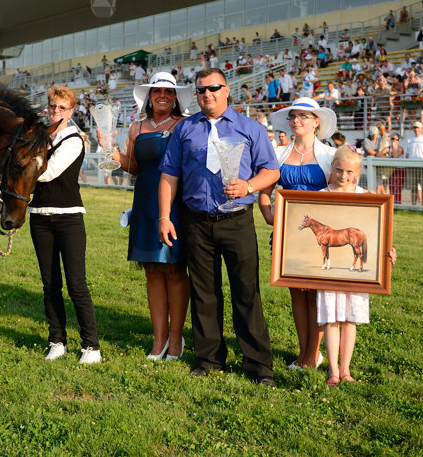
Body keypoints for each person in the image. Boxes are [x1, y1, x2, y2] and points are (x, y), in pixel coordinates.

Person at [158, 68, 280, 387]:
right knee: (204, 294)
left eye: (213, 88)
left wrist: (250, 185)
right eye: (201, 90)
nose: (207, 94)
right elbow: (169, 175)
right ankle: (210, 359)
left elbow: (272, 170)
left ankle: (258, 365)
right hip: (195, 221)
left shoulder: (250, 129)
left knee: (246, 293)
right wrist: (164, 216)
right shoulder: (184, 130)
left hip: (237, 221)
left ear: (227, 91)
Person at [111, 72, 191, 360]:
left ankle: (177, 337)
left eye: (168, 92)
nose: (162, 96)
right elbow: (132, 166)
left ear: (176, 98)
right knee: (152, 270)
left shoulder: (185, 125)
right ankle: (159, 340)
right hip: (144, 203)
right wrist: (112, 150)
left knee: (174, 270)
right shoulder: (136, 127)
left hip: (175, 204)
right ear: (149, 96)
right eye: (157, 91)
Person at [260, 98, 337, 369]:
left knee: (315, 293)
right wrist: (267, 214)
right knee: (295, 292)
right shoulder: (279, 153)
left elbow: (343, 194)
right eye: (293, 116)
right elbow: (265, 188)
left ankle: (312, 354)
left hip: (318, 236)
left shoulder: (330, 155)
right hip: (288, 233)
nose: (297, 121)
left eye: (304, 116)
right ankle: (304, 351)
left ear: (316, 122)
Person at [28, 85, 101, 364]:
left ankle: (91, 347)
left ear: (71, 111)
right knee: (50, 285)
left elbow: (47, 172)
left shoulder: (73, 139)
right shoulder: (40, 137)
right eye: (52, 106)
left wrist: (23, 163)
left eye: (62, 107)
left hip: (69, 218)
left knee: (76, 284)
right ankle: (57, 341)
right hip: (39, 217)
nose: (55, 111)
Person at [318, 146, 397, 386]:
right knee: (331, 319)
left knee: (350, 320)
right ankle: (332, 370)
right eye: (339, 170)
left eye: (349, 172)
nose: (343, 176)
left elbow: (377, 230)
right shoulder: (320, 195)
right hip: (329, 278)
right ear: (332, 168)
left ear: (357, 172)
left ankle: (346, 370)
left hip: (357, 278)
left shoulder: (367, 195)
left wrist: (387, 252)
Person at [405, 121, 423, 205]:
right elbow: (407, 154)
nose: (416, 129)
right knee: (413, 188)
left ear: (421, 129)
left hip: (422, 166)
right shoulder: (410, 140)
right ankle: (413, 206)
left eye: (417, 127)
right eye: (414, 127)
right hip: (411, 165)